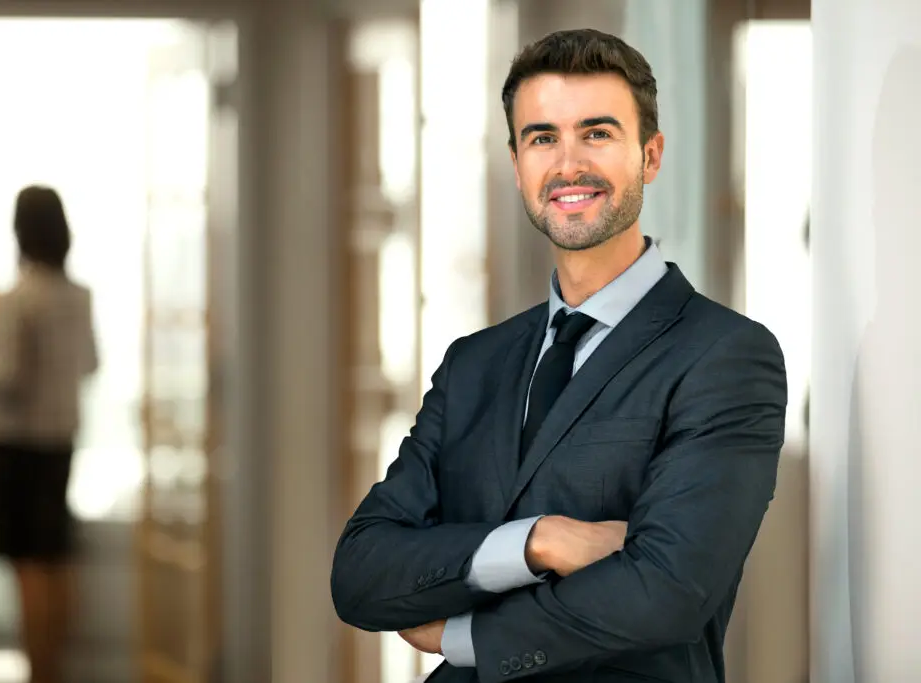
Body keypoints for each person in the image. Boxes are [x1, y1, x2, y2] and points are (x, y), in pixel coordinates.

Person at [331, 29, 787, 683]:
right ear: (518, 163)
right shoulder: (474, 365)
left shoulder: (725, 356)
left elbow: (668, 591)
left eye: (596, 133)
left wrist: (464, 635)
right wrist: (539, 539)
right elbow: (361, 571)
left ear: (650, 155)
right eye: (543, 138)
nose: (569, 164)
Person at [0, 186, 98, 683]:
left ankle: (39, 671)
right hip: (60, 439)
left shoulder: (17, 299)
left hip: (17, 442)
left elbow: (7, 377)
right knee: (55, 556)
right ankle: (56, 669)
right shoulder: (79, 297)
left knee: (28, 563)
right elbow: (91, 363)